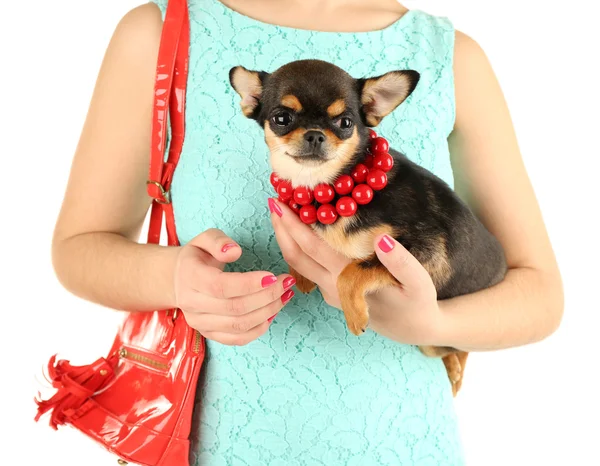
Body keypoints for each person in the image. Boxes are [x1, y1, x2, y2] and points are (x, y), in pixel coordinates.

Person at [50, 0, 563, 463]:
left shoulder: (447, 55)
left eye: (338, 125)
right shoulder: (163, 32)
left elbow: (538, 295)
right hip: (215, 443)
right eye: (285, 119)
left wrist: (430, 324)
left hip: (407, 445)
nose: (313, 137)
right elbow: (78, 249)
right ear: (256, 105)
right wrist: (174, 277)